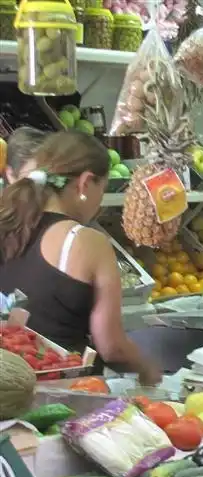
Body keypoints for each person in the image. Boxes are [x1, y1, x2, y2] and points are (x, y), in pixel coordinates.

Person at [0, 131, 161, 385]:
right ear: (85, 183)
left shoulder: (7, 222)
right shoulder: (85, 241)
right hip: (63, 389)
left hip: (7, 387)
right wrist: (148, 368)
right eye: (103, 190)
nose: (100, 203)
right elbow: (111, 346)